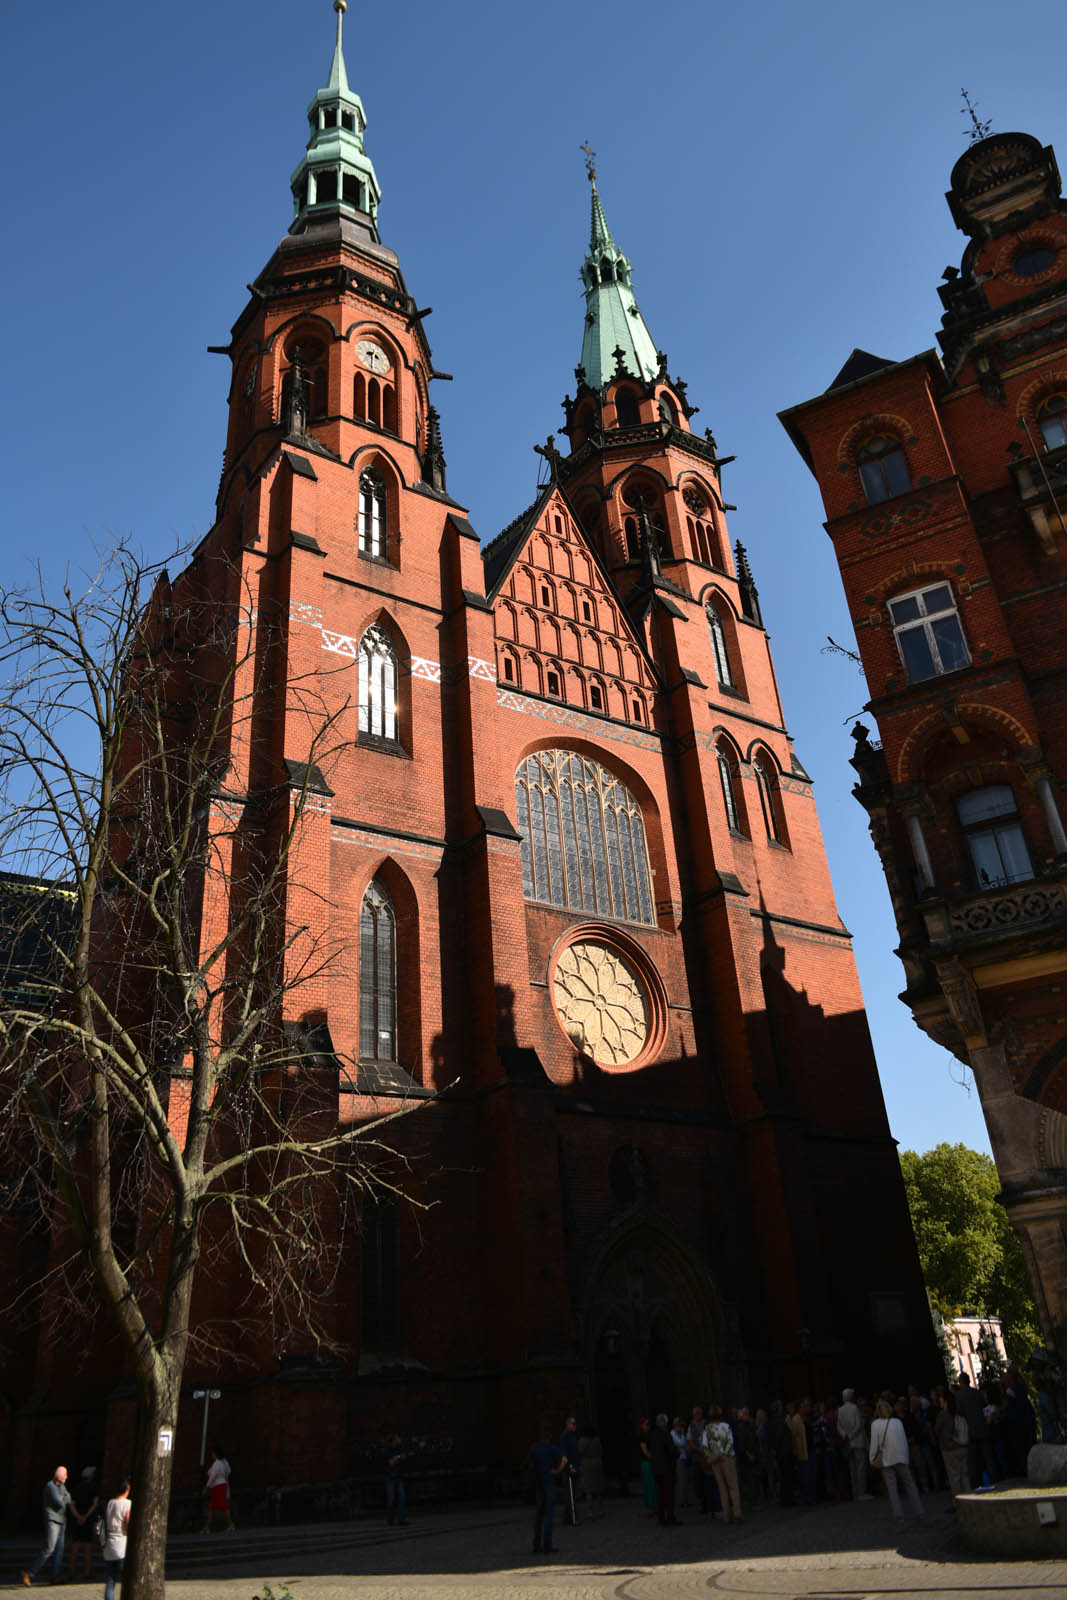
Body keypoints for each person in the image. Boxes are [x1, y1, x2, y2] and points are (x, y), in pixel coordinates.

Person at [868, 1398, 925, 1526]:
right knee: (910, 1484)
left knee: (892, 1488)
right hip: (900, 1457)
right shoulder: (898, 1422)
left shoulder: (875, 1424)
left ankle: (899, 1516)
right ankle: (919, 1511)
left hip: (887, 1459)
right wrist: (906, 1457)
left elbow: (874, 1444)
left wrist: (872, 1458)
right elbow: (903, 1441)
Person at [21, 1464, 71, 1587]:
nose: (66, 1477)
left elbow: (68, 1501)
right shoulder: (50, 1486)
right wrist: (66, 1497)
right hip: (52, 1519)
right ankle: (29, 1572)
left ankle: (55, 1576)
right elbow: (60, 1503)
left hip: (61, 1520)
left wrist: (65, 1497)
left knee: (59, 1550)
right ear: (59, 1476)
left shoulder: (62, 1486)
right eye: (65, 1475)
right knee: (49, 1548)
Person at [527, 1422, 567, 1554]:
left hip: (538, 1483)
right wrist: (557, 1471)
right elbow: (564, 1460)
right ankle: (547, 1545)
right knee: (549, 1515)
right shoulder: (551, 1448)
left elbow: (529, 1464)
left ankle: (536, 1545)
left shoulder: (533, 1448)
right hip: (549, 1481)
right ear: (549, 1435)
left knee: (539, 1515)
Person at [955, 1372, 997, 1489]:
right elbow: (984, 1406)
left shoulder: (959, 1396)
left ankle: (977, 1483)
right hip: (982, 1428)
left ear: (960, 1382)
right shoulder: (977, 1393)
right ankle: (994, 1480)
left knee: (973, 1460)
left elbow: (959, 1412)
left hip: (970, 1431)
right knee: (989, 1458)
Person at [704, 1405, 742, 1523]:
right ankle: (737, 1513)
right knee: (733, 1487)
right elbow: (730, 1442)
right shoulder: (726, 1426)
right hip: (727, 1458)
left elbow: (705, 1446)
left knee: (722, 1488)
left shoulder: (707, 1428)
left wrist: (713, 1456)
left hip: (715, 1461)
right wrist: (723, 1454)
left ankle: (726, 1516)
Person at [934, 1390, 970, 1500]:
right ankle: (970, 1498)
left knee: (954, 1477)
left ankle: (958, 1502)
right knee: (964, 1475)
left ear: (945, 1401)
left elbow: (937, 1430)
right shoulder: (958, 1412)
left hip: (950, 1449)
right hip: (963, 1446)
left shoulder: (943, 1414)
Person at [837, 1388, 871, 1501]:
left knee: (852, 1469)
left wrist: (845, 1435)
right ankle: (861, 1493)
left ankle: (855, 1493)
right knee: (861, 1467)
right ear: (851, 1397)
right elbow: (859, 1424)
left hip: (848, 1442)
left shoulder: (840, 1410)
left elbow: (839, 1426)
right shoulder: (854, 1408)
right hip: (857, 1442)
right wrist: (851, 1435)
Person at [102, 1477, 131, 1600]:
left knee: (110, 1579)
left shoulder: (110, 1502)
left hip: (109, 1543)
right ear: (127, 1489)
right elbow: (128, 1522)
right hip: (121, 1544)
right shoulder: (127, 1503)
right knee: (127, 1578)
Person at [68, 1466, 99, 1580]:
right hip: (88, 1519)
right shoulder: (94, 1488)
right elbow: (95, 1504)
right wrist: (86, 1516)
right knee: (87, 1547)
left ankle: (71, 1572)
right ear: (90, 1476)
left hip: (77, 1520)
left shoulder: (76, 1488)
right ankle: (87, 1572)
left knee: (75, 1545)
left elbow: (71, 1503)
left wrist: (77, 1516)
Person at [649, 1413, 679, 1524]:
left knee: (661, 1494)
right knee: (669, 1494)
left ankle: (661, 1517)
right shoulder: (666, 1435)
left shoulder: (653, 1435)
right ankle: (670, 1517)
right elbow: (671, 1452)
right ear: (665, 1423)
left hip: (657, 1468)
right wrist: (677, 1452)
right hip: (667, 1469)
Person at [201, 1444, 235, 1532]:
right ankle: (207, 1526)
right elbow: (229, 1471)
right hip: (222, 1484)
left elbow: (212, 1476)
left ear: (215, 1454)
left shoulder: (217, 1464)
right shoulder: (224, 1462)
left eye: (212, 1454)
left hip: (218, 1486)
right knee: (213, 1506)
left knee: (222, 1505)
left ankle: (230, 1524)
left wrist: (206, 1487)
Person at [578, 1427, 606, 1520]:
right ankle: (601, 1510)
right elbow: (601, 1451)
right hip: (597, 1464)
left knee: (588, 1490)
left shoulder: (582, 1440)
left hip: (586, 1465)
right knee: (598, 1489)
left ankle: (590, 1511)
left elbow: (579, 1452)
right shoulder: (597, 1440)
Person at [384, 1433, 410, 1526]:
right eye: (397, 1438)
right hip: (390, 1477)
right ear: (394, 1440)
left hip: (399, 1476)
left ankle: (401, 1519)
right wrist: (399, 1457)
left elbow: (403, 1457)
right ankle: (390, 1520)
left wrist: (401, 1457)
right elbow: (390, 1462)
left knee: (402, 1499)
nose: (399, 1439)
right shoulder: (388, 1449)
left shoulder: (399, 1448)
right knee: (391, 1500)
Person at [560, 1415, 580, 1526]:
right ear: (568, 1425)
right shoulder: (565, 1436)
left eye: (575, 1423)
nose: (575, 1426)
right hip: (569, 1468)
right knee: (569, 1494)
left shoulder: (573, 1435)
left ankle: (566, 1518)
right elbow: (564, 1453)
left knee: (571, 1493)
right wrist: (570, 1466)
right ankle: (573, 1517)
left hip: (574, 1466)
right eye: (573, 1424)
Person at [637, 1418, 658, 1514]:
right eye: (646, 1424)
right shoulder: (642, 1437)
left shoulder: (651, 1435)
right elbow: (645, 1452)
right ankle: (651, 1507)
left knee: (654, 1485)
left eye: (648, 1424)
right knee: (649, 1486)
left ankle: (655, 1506)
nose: (647, 1426)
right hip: (647, 1463)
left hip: (652, 1462)